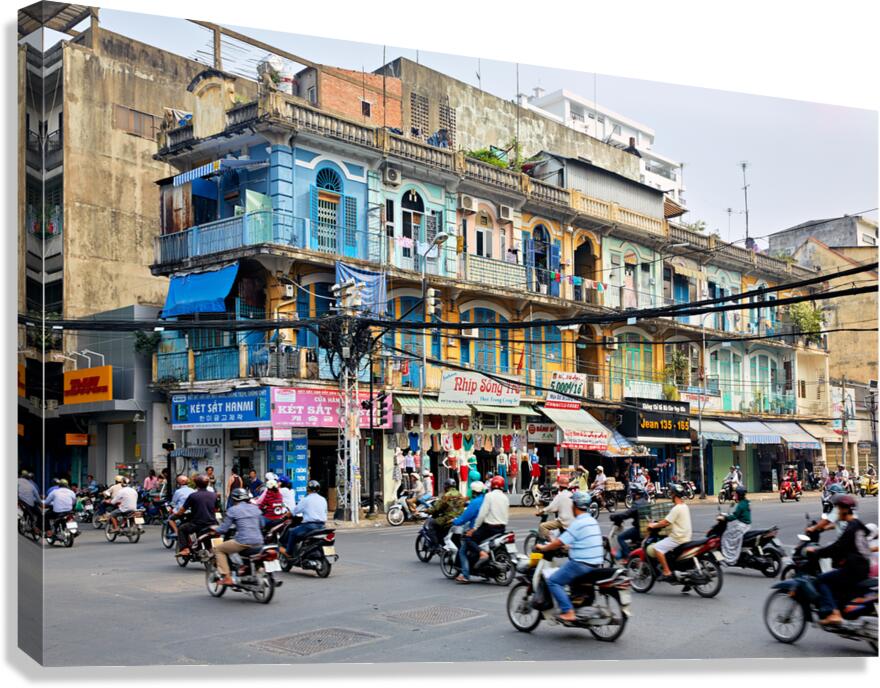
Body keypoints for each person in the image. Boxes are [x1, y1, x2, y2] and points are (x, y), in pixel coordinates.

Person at [537, 490, 605, 622]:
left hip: (581, 563)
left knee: (553, 581)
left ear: (575, 505)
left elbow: (558, 542)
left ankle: (568, 611)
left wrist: (544, 547)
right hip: (596, 562)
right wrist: (569, 547)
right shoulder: (591, 520)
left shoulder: (577, 523)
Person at [807, 493, 871, 626]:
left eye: (838, 508)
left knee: (822, 579)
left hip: (854, 569)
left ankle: (834, 613)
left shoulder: (850, 528)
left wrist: (817, 552)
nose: (837, 511)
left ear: (845, 509)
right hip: (864, 567)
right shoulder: (857, 524)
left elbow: (837, 547)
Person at [456, 476, 509, 583]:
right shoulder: (505, 498)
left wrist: (474, 528)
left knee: (468, 539)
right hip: (501, 528)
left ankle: (466, 574)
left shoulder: (488, 497)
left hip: (489, 527)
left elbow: (482, 514)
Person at [212, 487, 264, 586]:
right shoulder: (255, 508)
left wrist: (215, 529)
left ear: (234, 499)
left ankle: (227, 578)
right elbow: (262, 525)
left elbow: (223, 529)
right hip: (259, 542)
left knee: (219, 549)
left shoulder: (233, 510)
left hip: (243, 542)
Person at [647, 483, 692, 581]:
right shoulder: (684, 506)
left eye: (671, 493)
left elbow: (665, 522)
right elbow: (670, 521)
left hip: (677, 538)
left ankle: (667, 571)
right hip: (686, 537)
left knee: (657, 548)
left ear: (675, 495)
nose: (670, 495)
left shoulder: (676, 509)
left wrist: (653, 525)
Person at [280, 480, 327, 558]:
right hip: (322, 526)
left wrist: (285, 516)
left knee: (292, 532)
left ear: (308, 489)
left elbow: (295, 510)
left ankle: (288, 552)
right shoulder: (323, 499)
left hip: (309, 526)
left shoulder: (306, 499)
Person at [174, 474, 218, 556]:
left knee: (182, 529)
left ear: (196, 484)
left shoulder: (193, 496)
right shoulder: (214, 495)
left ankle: (185, 549)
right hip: (213, 523)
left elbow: (182, 510)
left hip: (198, 524)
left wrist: (176, 514)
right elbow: (216, 509)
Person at [610, 487, 649, 560]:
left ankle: (628, 557)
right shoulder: (646, 502)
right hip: (646, 529)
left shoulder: (637, 504)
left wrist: (614, 517)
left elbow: (626, 514)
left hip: (639, 529)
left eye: (633, 494)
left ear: (637, 495)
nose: (633, 496)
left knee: (620, 537)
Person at [426, 478, 466, 542]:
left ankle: (436, 546)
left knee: (431, 524)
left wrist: (428, 510)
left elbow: (437, 507)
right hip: (459, 518)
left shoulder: (447, 495)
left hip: (449, 518)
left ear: (446, 486)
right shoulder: (460, 494)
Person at [720, 485, 751, 565]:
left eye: (736, 493)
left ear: (739, 495)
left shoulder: (741, 505)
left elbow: (734, 516)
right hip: (746, 525)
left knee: (725, 536)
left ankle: (728, 558)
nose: (734, 495)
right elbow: (737, 514)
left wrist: (725, 518)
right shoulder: (746, 502)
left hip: (741, 526)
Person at [537, 475, 574, 542]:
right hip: (572, 522)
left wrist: (541, 511)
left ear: (559, 487)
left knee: (542, 526)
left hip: (563, 522)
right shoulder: (571, 494)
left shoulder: (559, 496)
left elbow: (551, 507)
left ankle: (552, 542)